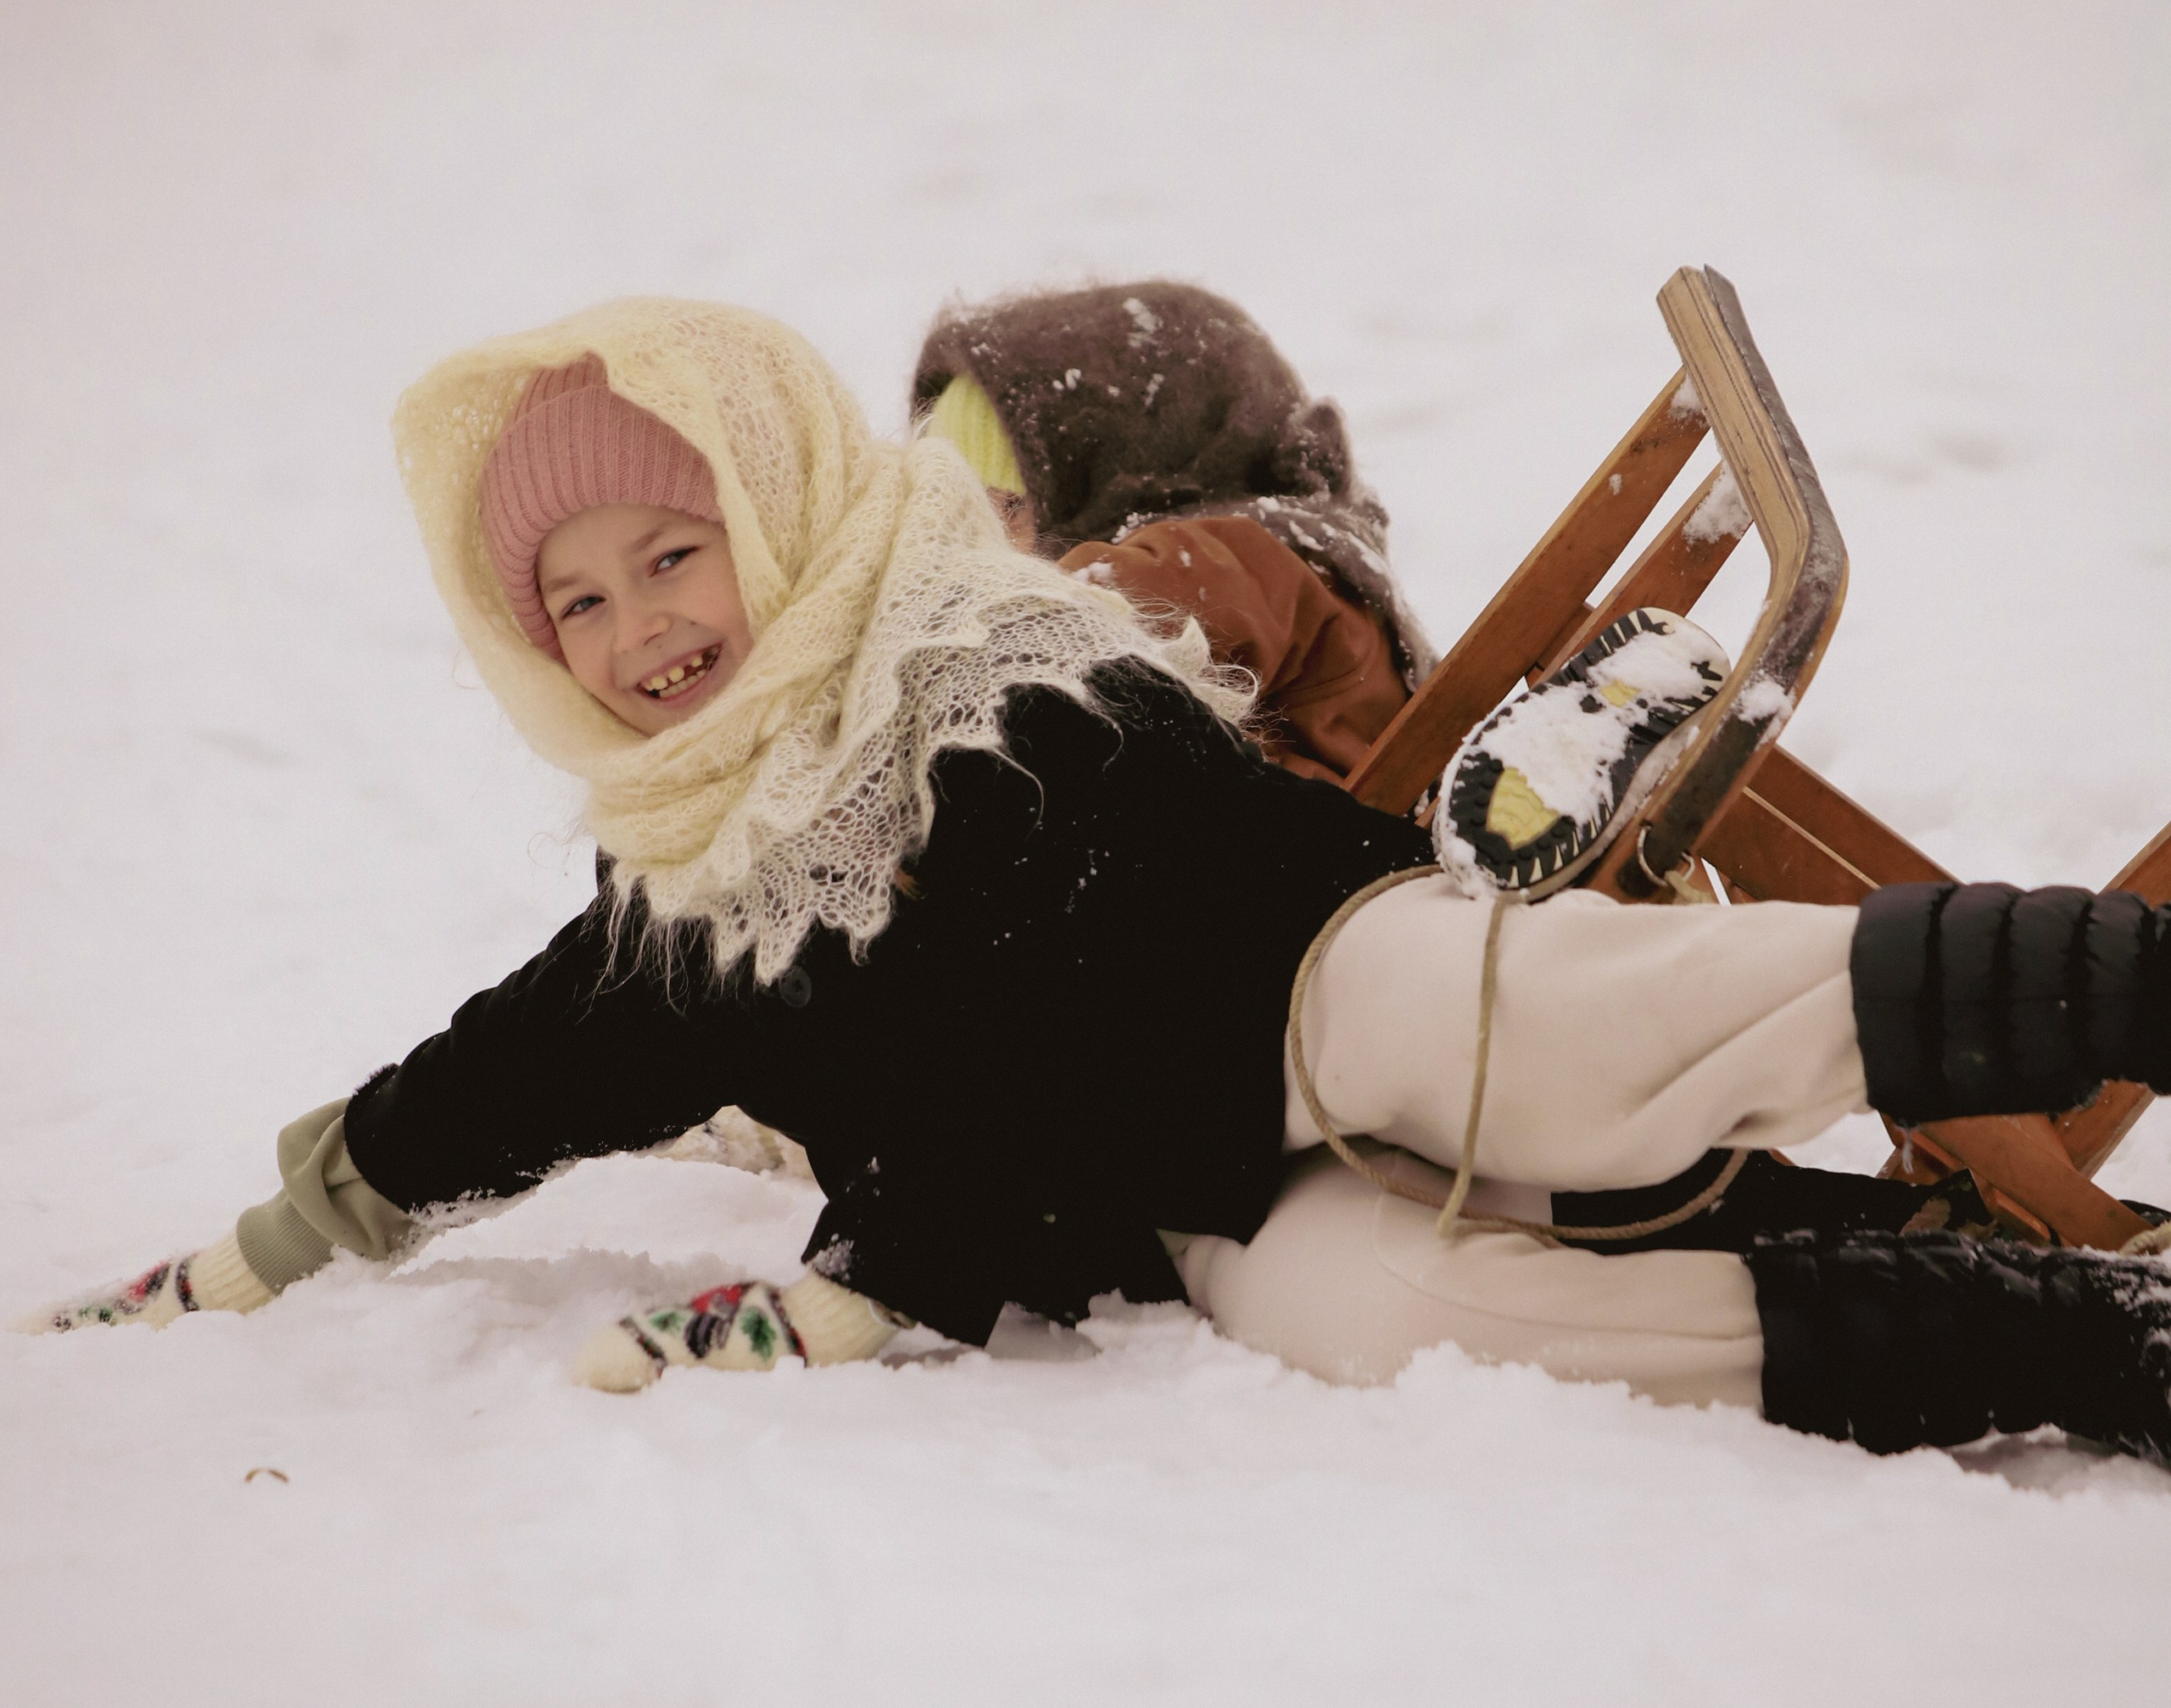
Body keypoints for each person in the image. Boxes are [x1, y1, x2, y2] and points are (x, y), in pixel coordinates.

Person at [30, 297, 2171, 1469]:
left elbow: (1009, 1002)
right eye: (573, 599)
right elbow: (544, 1045)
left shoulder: (983, 662)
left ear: (775, 519)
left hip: (1318, 985)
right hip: (1197, 1186)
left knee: (1548, 1041)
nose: (638, 625)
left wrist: (885, 1263)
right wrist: (292, 1226)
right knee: (1392, 1318)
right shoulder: (704, 852)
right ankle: (2044, 1329)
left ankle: (2116, 985)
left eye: (675, 552)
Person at [910, 280, 1431, 783]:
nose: (979, 541)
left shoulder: (1248, 557)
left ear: (1128, 474)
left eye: (1011, 507)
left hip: (1338, 856)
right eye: (956, 512)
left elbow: (1129, 601)